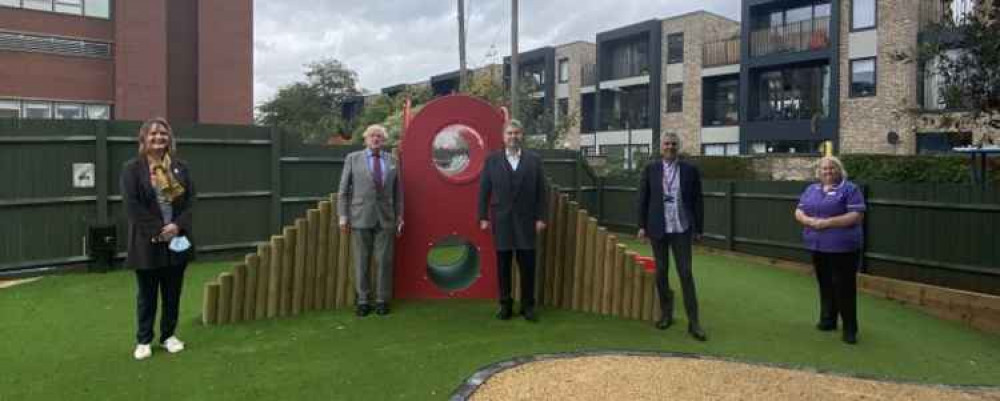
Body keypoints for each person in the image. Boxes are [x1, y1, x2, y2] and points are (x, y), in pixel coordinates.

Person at [121, 117, 196, 360]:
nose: (158, 137)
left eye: (163, 133)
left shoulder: (180, 167)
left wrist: (177, 225)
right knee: (147, 294)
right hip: (147, 241)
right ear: (143, 139)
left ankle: (168, 336)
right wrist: (159, 229)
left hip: (177, 239)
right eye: (153, 134)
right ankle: (143, 340)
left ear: (169, 138)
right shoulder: (133, 169)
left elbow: (191, 202)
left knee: (173, 292)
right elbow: (132, 206)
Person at [637, 133, 707, 341]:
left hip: (682, 228)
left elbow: (697, 201)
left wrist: (699, 229)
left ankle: (694, 323)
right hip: (658, 227)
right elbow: (643, 198)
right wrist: (641, 226)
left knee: (685, 273)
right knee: (661, 272)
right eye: (667, 144)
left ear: (679, 147)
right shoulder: (651, 169)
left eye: (674, 144)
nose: (670, 147)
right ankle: (666, 315)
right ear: (661, 148)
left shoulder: (690, 170)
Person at [478, 119, 547, 322]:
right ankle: (505, 305)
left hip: (527, 221)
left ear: (521, 135)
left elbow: (541, 192)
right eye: (509, 133)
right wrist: (482, 216)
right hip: (502, 220)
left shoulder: (534, 160)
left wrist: (541, 217)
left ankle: (528, 307)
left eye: (516, 133)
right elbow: (484, 190)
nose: (513, 137)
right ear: (503, 137)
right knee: (503, 266)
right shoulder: (492, 160)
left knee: (527, 266)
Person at [794, 156, 866, 345]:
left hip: (843, 247)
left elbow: (856, 215)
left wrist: (827, 223)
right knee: (825, 284)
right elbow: (799, 211)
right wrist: (808, 221)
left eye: (832, 168)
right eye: (824, 169)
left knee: (844, 287)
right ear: (819, 172)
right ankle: (828, 320)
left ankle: (850, 329)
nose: (828, 171)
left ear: (839, 170)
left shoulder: (850, 189)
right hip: (817, 246)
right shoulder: (811, 189)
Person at [338, 125, 403, 317]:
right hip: (360, 217)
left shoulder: (392, 161)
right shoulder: (352, 159)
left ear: (383, 141)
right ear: (366, 139)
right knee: (361, 260)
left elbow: (398, 193)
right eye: (372, 136)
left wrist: (400, 216)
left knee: (384, 261)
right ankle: (363, 300)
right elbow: (343, 190)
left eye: (379, 136)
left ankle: (383, 300)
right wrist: (343, 215)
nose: (376, 139)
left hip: (386, 218)